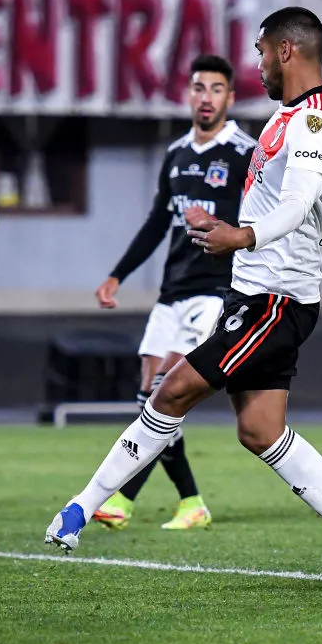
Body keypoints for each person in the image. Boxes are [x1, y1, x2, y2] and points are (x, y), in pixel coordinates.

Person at [45, 6, 322, 602]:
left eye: (263, 50)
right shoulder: (285, 117)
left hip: (277, 301)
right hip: (256, 292)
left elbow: (299, 200)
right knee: (260, 431)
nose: (258, 63)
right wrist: (231, 226)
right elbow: (273, 202)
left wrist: (241, 235)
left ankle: (82, 508)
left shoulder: (316, 120)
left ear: (287, 51)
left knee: (171, 391)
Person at [93, 54, 256, 531]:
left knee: (164, 390)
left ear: (229, 96)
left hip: (215, 288)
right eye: (199, 88)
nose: (206, 98)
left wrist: (217, 226)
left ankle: (122, 498)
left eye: (216, 89)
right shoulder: (176, 153)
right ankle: (191, 502)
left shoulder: (245, 152)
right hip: (172, 292)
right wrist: (117, 275)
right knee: (149, 397)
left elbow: (261, 220)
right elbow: (155, 223)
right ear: (189, 94)